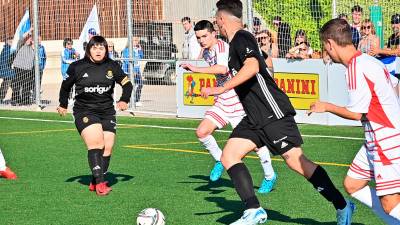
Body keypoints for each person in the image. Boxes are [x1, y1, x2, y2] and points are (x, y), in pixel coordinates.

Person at [206, 1, 354, 224]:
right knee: (229, 156)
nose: (217, 25)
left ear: (222, 19)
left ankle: (342, 205)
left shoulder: (242, 37)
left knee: (296, 161)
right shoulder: (235, 42)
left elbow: (253, 66)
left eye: (217, 20)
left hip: (271, 111)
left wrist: (222, 87)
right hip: (254, 117)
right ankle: (253, 210)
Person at [309, 18, 400, 223]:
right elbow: (395, 86)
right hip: (376, 138)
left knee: (390, 203)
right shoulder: (370, 61)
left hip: (384, 140)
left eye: (325, 48)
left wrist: (326, 106)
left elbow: (357, 113)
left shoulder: (355, 67)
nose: (327, 53)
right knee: (352, 184)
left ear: (331, 44)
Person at [181, 20, 277, 194]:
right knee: (202, 132)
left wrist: (196, 69)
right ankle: (219, 159)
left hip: (239, 101)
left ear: (213, 34)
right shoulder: (206, 53)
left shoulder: (222, 48)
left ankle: (270, 176)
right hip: (223, 101)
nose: (201, 40)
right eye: (198, 37)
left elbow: (223, 69)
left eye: (204, 36)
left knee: (255, 145)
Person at [57, 36, 133, 196]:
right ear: (88, 50)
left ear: (106, 50)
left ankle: (95, 179)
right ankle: (100, 184)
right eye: (95, 48)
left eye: (101, 48)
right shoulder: (77, 67)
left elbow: (127, 84)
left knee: (108, 147)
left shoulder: (112, 66)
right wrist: (63, 104)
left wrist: (124, 100)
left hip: (106, 111)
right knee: (96, 143)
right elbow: (65, 87)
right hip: (84, 111)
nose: (98, 51)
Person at [11, 29, 35, 106]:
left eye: (30, 40)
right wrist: (29, 31)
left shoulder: (34, 49)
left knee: (26, 86)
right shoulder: (20, 45)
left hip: (27, 69)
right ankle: (15, 100)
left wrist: (33, 45)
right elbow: (21, 38)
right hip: (18, 67)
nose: (29, 40)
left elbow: (36, 54)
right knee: (16, 85)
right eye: (28, 39)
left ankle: (25, 101)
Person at [121, 36, 144, 106]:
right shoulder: (127, 50)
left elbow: (141, 57)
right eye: (135, 40)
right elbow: (127, 61)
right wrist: (132, 71)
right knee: (129, 86)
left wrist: (140, 50)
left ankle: (136, 100)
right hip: (129, 71)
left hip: (137, 70)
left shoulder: (137, 49)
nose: (137, 42)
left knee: (140, 84)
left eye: (137, 40)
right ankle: (128, 100)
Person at [0, 38, 16, 103]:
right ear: (7, 42)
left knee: (13, 85)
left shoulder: (6, 49)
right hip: (7, 72)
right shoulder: (8, 49)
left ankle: (15, 98)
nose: (12, 42)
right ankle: (1, 98)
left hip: (7, 71)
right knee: (6, 85)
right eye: (11, 41)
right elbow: (7, 61)